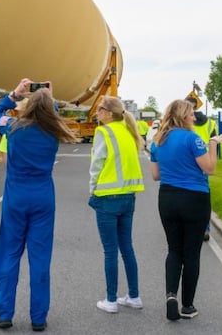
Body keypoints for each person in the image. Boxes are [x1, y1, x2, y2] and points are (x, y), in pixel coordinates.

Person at [0, 78, 76, 332]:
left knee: (9, 254)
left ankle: (5, 314)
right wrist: (50, 96)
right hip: (43, 198)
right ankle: (38, 318)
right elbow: (52, 113)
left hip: (16, 196)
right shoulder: (53, 130)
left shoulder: (13, 126)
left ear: (27, 106)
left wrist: (15, 94)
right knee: (40, 259)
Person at [149, 98, 222, 321]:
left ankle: (170, 294)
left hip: (168, 197)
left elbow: (156, 175)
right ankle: (187, 305)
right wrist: (213, 144)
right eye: (192, 114)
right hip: (194, 198)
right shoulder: (193, 139)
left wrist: (176, 167)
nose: (194, 117)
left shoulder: (157, 140)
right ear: (184, 115)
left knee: (174, 249)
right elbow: (209, 168)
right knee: (192, 253)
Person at [89, 95, 145, 314]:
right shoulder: (129, 132)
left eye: (100, 109)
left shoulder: (104, 132)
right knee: (127, 248)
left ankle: (111, 300)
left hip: (107, 198)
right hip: (128, 197)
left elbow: (97, 163)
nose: (97, 112)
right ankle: (134, 296)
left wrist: (93, 188)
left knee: (110, 251)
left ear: (109, 113)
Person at [187, 94, 217, 241]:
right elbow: (215, 143)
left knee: (185, 195)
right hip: (204, 163)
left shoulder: (185, 122)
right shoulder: (210, 123)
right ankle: (205, 228)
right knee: (204, 198)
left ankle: (187, 227)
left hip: (188, 162)